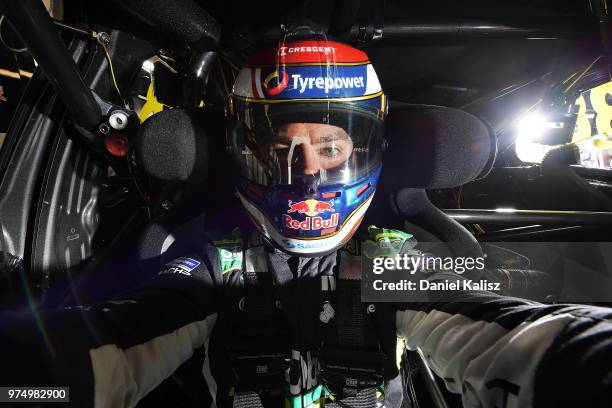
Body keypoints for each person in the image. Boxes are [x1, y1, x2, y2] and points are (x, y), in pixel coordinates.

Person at [2, 32, 612, 408]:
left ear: (367, 149)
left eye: (329, 146)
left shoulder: (391, 256)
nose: (307, 174)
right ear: (243, 151)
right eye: (280, 148)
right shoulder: (211, 255)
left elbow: (512, 335)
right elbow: (119, 338)